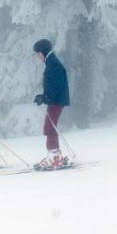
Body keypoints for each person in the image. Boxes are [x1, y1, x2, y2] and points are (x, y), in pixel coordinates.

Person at [32, 39, 71, 169]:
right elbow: (52, 86)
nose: (37, 56)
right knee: (50, 127)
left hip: (56, 101)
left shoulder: (53, 64)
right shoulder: (51, 63)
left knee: (49, 128)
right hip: (56, 100)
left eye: (37, 53)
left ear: (42, 52)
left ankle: (54, 156)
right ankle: (56, 155)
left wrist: (45, 98)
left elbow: (55, 86)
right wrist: (43, 97)